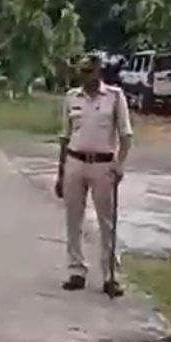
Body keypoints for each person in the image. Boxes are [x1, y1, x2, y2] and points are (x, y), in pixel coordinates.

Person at [55, 54, 133, 297]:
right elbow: (64, 137)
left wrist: (119, 164)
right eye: (82, 71)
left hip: (103, 165)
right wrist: (60, 172)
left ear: (99, 72)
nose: (85, 76)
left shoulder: (115, 97)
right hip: (75, 161)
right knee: (73, 220)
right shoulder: (71, 98)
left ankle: (111, 275)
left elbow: (126, 135)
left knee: (106, 222)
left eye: (89, 71)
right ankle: (76, 270)